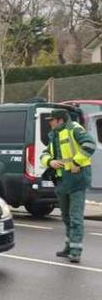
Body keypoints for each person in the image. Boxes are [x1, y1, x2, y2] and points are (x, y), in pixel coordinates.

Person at [40, 109, 95, 263]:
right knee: (66, 217)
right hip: (61, 181)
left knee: (75, 218)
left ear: (60, 120)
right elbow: (44, 154)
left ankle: (76, 251)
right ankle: (69, 246)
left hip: (77, 180)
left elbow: (90, 145)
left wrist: (76, 162)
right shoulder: (54, 135)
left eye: (52, 120)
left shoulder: (75, 129)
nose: (50, 123)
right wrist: (49, 161)